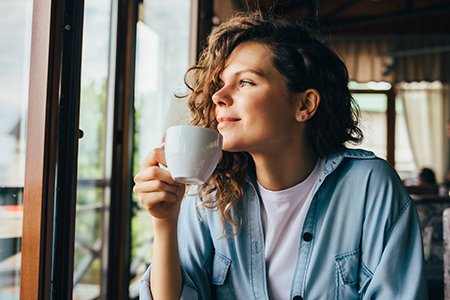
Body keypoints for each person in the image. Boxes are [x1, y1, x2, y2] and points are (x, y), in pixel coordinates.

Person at [134, 11, 428, 300]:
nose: (218, 97)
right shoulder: (210, 195)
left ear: (304, 104)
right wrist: (164, 223)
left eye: (245, 82)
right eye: (220, 84)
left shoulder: (369, 186)